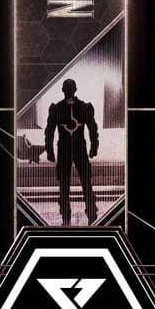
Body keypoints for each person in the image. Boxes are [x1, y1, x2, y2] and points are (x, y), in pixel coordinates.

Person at [45, 78, 99, 226]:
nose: (69, 91)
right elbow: (50, 130)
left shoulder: (61, 108)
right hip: (72, 149)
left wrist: (50, 150)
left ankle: (81, 217)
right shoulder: (81, 107)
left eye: (69, 89)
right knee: (74, 184)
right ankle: (74, 217)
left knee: (76, 184)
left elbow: (92, 128)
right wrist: (94, 146)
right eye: (68, 89)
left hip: (71, 149)